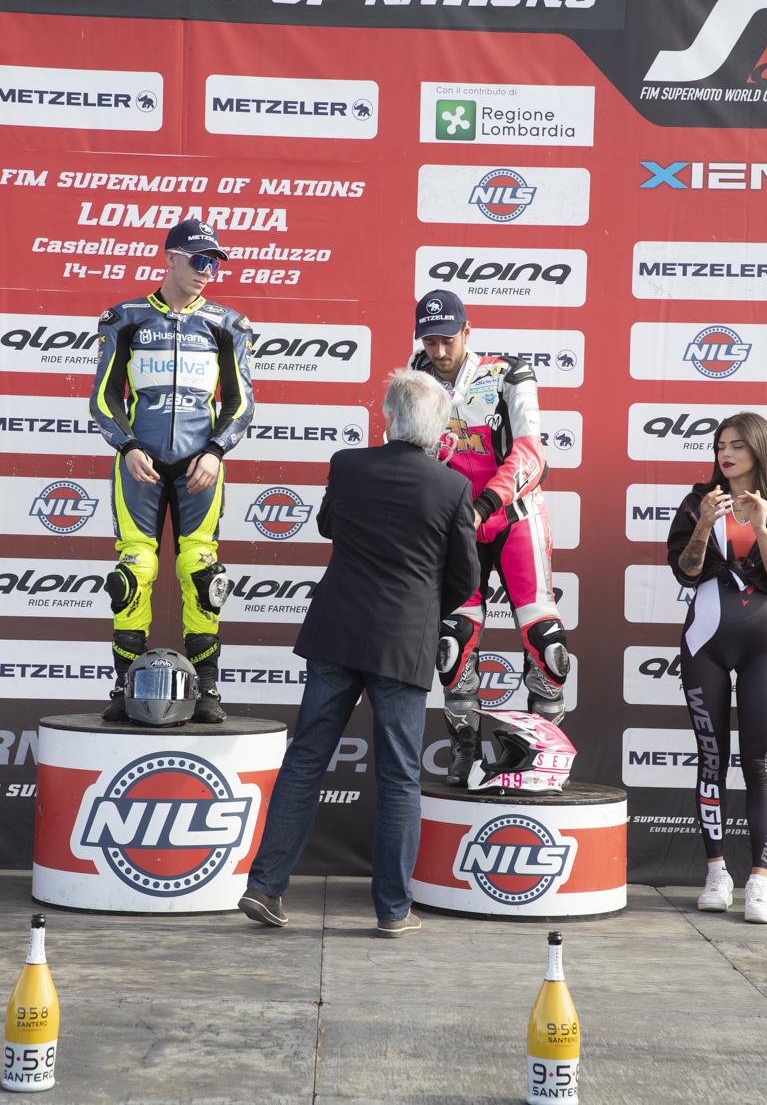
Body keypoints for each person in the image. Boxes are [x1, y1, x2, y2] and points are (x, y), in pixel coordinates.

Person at [238, 369, 479, 936]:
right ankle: (393, 911)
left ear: (388, 417)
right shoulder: (452, 487)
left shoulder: (346, 464)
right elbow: (466, 579)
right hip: (404, 641)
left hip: (337, 631)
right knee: (399, 778)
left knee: (305, 760)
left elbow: (328, 526)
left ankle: (265, 887)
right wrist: (422, 605)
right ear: (439, 427)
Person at [88, 219, 255, 723]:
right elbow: (104, 396)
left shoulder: (228, 324)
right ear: (171, 259)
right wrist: (126, 445)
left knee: (202, 572)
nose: (207, 271)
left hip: (200, 465)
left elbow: (241, 403)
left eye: (214, 263)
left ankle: (207, 690)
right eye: (200, 260)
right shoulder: (127, 318)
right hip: (138, 461)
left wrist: (217, 451)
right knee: (133, 572)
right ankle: (123, 687)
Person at [408, 289, 569, 785]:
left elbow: (531, 455)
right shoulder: (417, 375)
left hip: (514, 516)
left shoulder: (509, 373)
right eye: (430, 341)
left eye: (448, 340)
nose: (439, 352)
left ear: (467, 331)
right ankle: (465, 752)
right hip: (457, 526)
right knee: (454, 640)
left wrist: (483, 507)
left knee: (546, 641)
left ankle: (542, 753)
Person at [667, 412, 767, 924]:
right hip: (705, 643)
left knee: (758, 762)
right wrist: (703, 524)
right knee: (711, 760)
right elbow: (686, 572)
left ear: (759, 449)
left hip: (763, 644)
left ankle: (759, 880)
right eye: (720, 445)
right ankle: (716, 872)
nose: (726, 453)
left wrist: (760, 527)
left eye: (737, 445)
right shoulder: (699, 501)